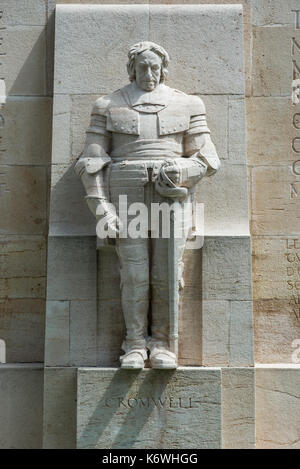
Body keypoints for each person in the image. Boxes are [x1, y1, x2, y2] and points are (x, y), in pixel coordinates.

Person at [75, 41, 220, 369]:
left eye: (155, 68)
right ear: (132, 69)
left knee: (167, 272)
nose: (150, 74)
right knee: (135, 273)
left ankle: (164, 343)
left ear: (164, 69)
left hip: (171, 196)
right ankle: (135, 344)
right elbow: (90, 161)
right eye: (143, 67)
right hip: (125, 194)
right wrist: (102, 210)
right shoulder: (109, 105)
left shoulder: (188, 104)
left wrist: (183, 170)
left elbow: (208, 158)